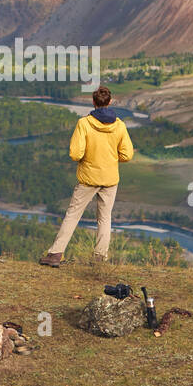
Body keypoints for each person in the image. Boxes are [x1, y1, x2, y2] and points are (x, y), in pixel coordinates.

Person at [39, 86, 134, 267]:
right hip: (110, 179)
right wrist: (112, 159)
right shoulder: (120, 125)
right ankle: (99, 258)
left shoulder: (84, 123)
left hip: (88, 178)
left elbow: (75, 153)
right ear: (110, 102)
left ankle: (55, 255)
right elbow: (127, 155)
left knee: (72, 215)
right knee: (105, 219)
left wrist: (88, 159)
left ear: (93, 102)